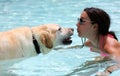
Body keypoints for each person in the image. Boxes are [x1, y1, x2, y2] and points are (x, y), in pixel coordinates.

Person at [76, 7, 120, 76]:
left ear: (95, 27)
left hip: (111, 61)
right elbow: (79, 46)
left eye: (81, 21)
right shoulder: (90, 42)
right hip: (105, 58)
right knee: (80, 70)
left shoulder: (108, 46)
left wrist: (107, 72)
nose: (77, 24)